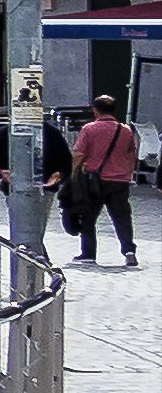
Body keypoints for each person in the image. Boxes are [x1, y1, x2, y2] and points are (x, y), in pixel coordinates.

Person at [69, 97, 143, 270]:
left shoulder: (89, 129)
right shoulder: (125, 130)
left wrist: (74, 173)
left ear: (96, 110)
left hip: (95, 180)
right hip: (120, 180)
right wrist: (128, 172)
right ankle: (129, 251)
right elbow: (132, 153)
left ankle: (88, 253)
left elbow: (79, 153)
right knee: (122, 217)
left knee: (88, 216)